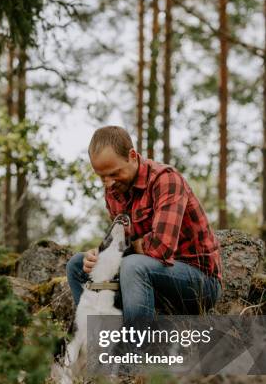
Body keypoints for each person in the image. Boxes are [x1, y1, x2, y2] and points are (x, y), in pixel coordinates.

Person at [67, 125, 223, 325]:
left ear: (132, 156)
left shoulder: (166, 180)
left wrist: (127, 249)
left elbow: (160, 248)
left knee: (133, 265)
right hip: (147, 280)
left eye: (114, 174)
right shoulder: (114, 191)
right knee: (77, 265)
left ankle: (138, 351)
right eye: (102, 177)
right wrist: (99, 254)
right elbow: (118, 242)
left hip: (199, 284)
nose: (108, 184)